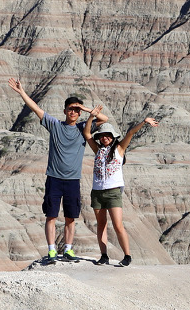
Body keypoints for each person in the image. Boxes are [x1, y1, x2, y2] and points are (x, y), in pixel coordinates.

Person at [8, 77, 108, 262]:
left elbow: (104, 119)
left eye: (76, 110)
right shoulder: (55, 125)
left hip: (72, 180)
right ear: (64, 111)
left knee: (71, 217)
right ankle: (52, 250)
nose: (73, 112)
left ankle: (68, 250)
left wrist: (86, 110)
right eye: (71, 108)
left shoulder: (83, 129)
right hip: (54, 178)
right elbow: (36, 109)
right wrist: (22, 92)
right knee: (51, 216)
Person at [83, 105, 159, 267]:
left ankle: (127, 256)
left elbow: (131, 133)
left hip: (113, 192)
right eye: (102, 136)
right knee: (101, 225)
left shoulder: (119, 149)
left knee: (118, 225)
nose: (104, 138)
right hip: (97, 192)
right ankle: (104, 256)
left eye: (107, 135)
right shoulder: (98, 150)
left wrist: (144, 122)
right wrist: (91, 117)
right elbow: (87, 134)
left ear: (113, 137)